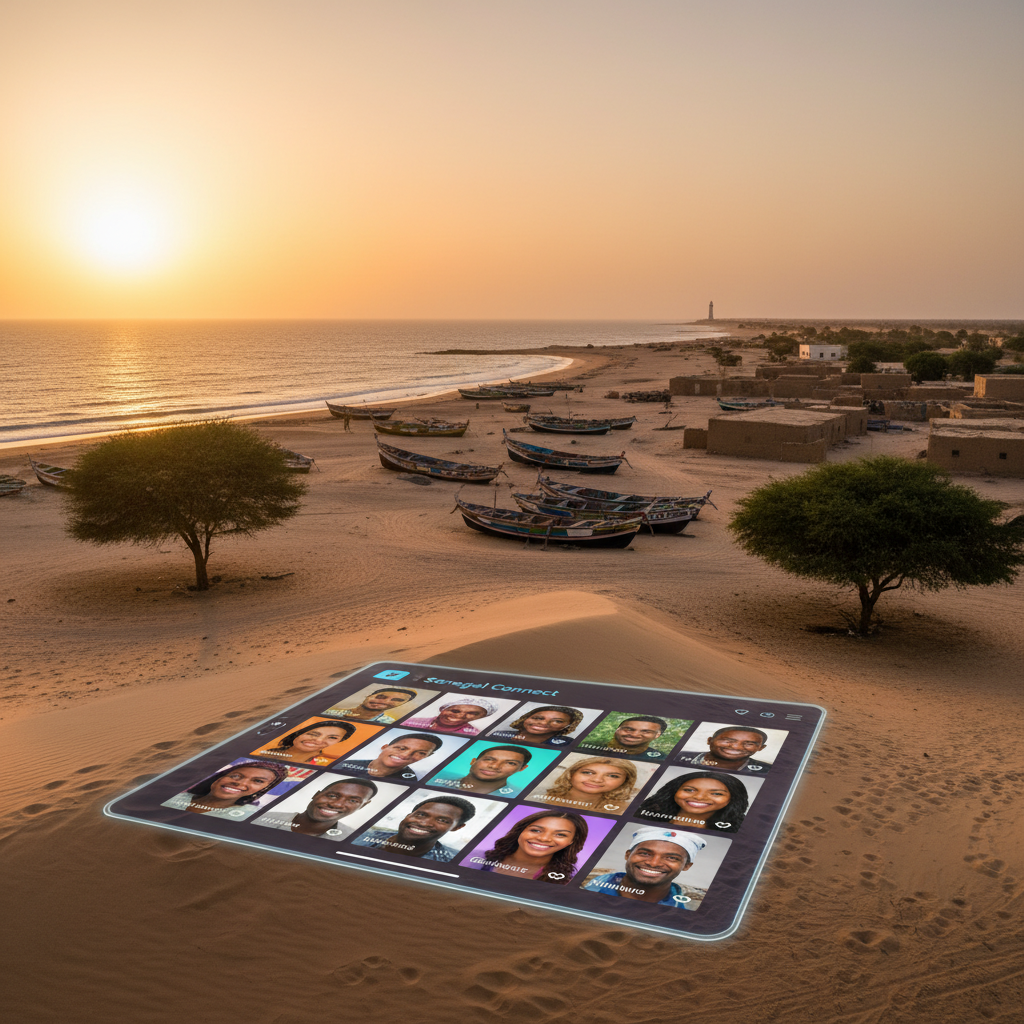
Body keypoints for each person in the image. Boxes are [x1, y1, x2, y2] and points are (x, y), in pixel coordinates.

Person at [582, 827, 706, 908]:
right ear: (628, 855)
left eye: (672, 858)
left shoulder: (694, 905)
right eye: (645, 853)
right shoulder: (583, 883)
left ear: (686, 866)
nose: (653, 863)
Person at [474, 810, 588, 883]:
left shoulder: (566, 883)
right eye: (536, 830)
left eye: (560, 834)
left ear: (572, 841)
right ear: (520, 831)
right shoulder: (476, 858)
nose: (543, 838)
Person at [352, 796, 476, 861]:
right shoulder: (359, 836)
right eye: (421, 815)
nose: (424, 823)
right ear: (408, 815)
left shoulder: (451, 860)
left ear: (457, 827)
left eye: (442, 820)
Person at [253, 778, 378, 839]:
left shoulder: (353, 838)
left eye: (353, 801)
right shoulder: (261, 818)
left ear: (362, 806)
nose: (337, 804)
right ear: (316, 795)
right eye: (332, 796)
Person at [164, 761, 290, 817]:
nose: (240, 783)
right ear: (219, 777)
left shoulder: (248, 816)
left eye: (258, 781)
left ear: (263, 789)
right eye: (235, 776)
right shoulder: (175, 794)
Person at [635, 772, 749, 831]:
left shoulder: (739, 829)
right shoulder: (640, 816)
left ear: (733, 798)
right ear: (674, 791)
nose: (699, 797)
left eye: (716, 793)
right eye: (689, 790)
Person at [531, 757, 638, 813]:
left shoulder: (625, 810)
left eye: (612, 776)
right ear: (571, 774)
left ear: (625, 781)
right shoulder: (535, 795)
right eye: (588, 772)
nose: (597, 779)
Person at [433, 745, 532, 795]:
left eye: (510, 763)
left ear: (522, 768)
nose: (494, 766)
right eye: (489, 759)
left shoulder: (519, 794)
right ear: (473, 761)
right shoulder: (434, 776)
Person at [341, 732, 443, 778]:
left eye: (421, 753)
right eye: (401, 748)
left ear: (427, 756)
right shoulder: (345, 764)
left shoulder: (409, 780)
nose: (405, 755)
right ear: (384, 747)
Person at [254, 720, 356, 765]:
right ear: (298, 734)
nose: (319, 740)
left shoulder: (330, 762)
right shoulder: (265, 751)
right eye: (313, 734)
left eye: (332, 738)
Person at [684, 727, 773, 773]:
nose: (736, 747)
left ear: (761, 748)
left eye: (749, 744)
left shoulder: (768, 770)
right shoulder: (678, 756)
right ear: (709, 741)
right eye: (728, 741)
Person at [488, 705, 584, 747]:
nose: (543, 723)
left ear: (567, 726)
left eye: (557, 721)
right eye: (538, 718)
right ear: (526, 718)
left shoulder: (567, 743)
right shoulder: (499, 734)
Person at [401, 697, 499, 736]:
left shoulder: (473, 734)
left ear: (480, 717)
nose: (461, 715)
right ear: (443, 709)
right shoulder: (410, 722)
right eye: (455, 710)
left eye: (472, 713)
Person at [329, 687, 419, 724]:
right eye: (380, 697)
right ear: (368, 696)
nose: (386, 702)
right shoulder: (331, 713)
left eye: (397, 700)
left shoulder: (389, 722)